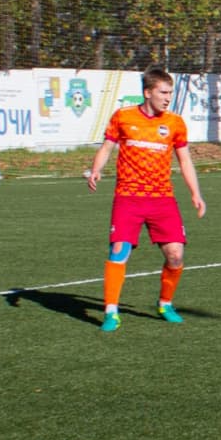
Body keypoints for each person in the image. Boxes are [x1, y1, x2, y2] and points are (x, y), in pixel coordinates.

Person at [85, 66, 206, 331]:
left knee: (176, 255)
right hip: (128, 198)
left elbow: (184, 160)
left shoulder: (175, 123)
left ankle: (165, 303)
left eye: (170, 92)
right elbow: (106, 147)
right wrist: (95, 170)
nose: (167, 97)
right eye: (163, 92)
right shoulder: (123, 117)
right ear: (147, 92)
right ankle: (111, 312)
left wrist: (195, 194)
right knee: (119, 251)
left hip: (162, 199)